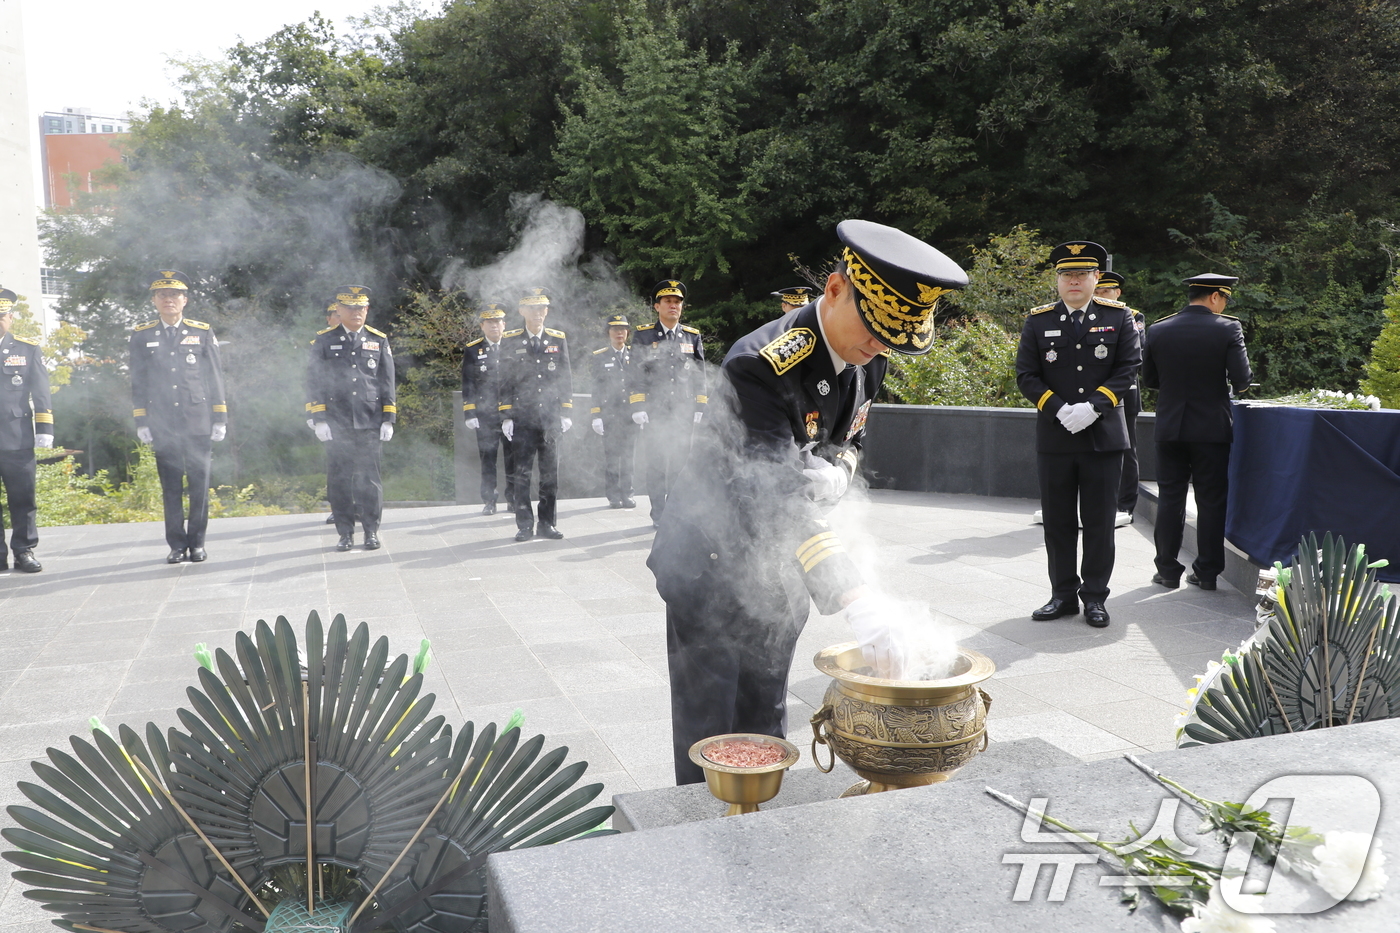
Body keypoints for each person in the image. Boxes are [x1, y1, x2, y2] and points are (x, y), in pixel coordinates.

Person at [649, 220, 969, 785]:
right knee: (710, 731)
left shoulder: (872, 352)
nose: (879, 346)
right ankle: (699, 844)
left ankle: (761, 830)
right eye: (873, 329)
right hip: (711, 564)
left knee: (767, 712)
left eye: (892, 338)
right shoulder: (759, 365)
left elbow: (852, 438)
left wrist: (839, 472)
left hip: (783, 569)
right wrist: (856, 594)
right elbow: (770, 494)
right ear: (835, 289)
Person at [1015, 242, 1141, 628]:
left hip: (1103, 438)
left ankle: (1095, 598)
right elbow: (1026, 375)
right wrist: (1059, 408)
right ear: (1057, 279)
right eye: (1066, 274)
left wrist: (1094, 407)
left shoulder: (1119, 318)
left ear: (1096, 278)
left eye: (1082, 274)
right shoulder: (1038, 321)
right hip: (1056, 437)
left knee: (1100, 522)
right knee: (1058, 522)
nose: (1073, 280)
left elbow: (1129, 367)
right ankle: (1063, 595)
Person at [1143, 273, 1253, 590]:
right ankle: (1206, 573)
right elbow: (1242, 380)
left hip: (1170, 427)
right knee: (1211, 500)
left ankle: (1166, 570)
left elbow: (1149, 379)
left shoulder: (1159, 328)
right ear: (1216, 296)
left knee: (1170, 498)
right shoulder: (1228, 327)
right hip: (1211, 429)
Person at [129, 271, 229, 563]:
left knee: (199, 485)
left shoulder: (202, 331)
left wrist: (220, 417)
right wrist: (142, 420)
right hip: (162, 422)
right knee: (170, 487)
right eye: (163, 295)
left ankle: (197, 543)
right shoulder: (142, 335)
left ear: (184, 300)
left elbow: (215, 377)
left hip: (198, 420)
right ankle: (176, 545)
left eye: (175, 295)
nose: (169, 300)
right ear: (154, 300)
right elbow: (138, 381)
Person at [306, 285, 396, 552]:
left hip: (369, 420)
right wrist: (318, 417)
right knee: (340, 480)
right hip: (337, 421)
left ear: (367, 310)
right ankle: (345, 533)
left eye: (361, 308)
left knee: (370, 480)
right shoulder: (323, 340)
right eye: (351, 308)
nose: (357, 313)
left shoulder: (378, 339)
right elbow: (314, 381)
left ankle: (371, 531)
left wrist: (388, 418)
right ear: (339, 310)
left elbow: (387, 381)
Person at [631, 280, 706, 526]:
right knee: (656, 464)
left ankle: (675, 512)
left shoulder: (692, 336)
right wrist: (638, 407)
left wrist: (699, 407)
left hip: (683, 411)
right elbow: (636, 374)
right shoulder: (644, 336)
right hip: (655, 411)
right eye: (668, 302)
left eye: (677, 302)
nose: (673, 306)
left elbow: (700, 374)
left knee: (680, 464)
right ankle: (659, 514)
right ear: (657, 306)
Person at [500, 287, 573, 541]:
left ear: (547, 311)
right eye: (532, 308)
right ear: (522, 311)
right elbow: (505, 380)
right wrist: (506, 415)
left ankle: (547, 523)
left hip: (550, 416)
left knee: (550, 473)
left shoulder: (557, 338)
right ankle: (524, 524)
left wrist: (566, 411)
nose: (537, 313)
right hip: (523, 416)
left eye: (542, 308)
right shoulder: (510, 340)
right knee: (521, 474)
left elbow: (565, 377)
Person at [0, 289, 52, 573]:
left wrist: (44, 428)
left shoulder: (27, 348)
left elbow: (42, 391)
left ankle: (23, 550)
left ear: (10, 317)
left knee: (22, 497)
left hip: (16, 436)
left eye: (0, 316)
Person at [1094, 271, 1145, 527]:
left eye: (1106, 291)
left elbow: (1135, 353)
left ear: (1118, 293)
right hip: (1091, 393)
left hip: (1124, 392)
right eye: (1098, 291)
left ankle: (1125, 504)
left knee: (1127, 449)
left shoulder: (1132, 316)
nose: (1101, 295)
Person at [461, 302, 517, 515]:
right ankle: (489, 500)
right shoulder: (473, 349)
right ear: (482, 325)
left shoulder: (514, 345)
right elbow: (468, 383)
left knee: (513, 457)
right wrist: (470, 412)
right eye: (489, 323)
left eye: (498, 322)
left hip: (511, 413)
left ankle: (512, 498)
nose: (494, 326)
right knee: (488, 458)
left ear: (504, 324)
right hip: (486, 414)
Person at [589, 313, 639, 509]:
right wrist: (596, 415)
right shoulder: (599, 356)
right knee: (611, 457)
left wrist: (640, 410)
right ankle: (613, 495)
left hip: (629, 416)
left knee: (629, 456)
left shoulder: (634, 355)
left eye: (623, 329)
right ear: (608, 332)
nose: (620, 332)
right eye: (615, 329)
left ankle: (628, 493)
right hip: (609, 414)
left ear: (627, 332)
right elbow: (596, 388)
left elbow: (639, 385)